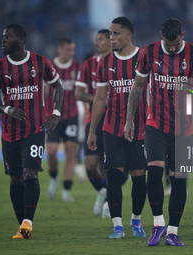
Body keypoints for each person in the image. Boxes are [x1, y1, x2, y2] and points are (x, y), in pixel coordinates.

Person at [124, 18, 193, 246]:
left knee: (179, 180)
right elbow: (137, 86)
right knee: (154, 173)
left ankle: (173, 232)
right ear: (161, 36)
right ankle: (158, 225)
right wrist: (129, 120)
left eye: (176, 44)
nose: (173, 48)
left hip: (184, 128)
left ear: (183, 34)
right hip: (155, 123)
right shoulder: (149, 52)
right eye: (168, 44)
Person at [0, 24, 63, 239]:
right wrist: (7, 108)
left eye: (7, 37)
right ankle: (22, 225)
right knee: (16, 179)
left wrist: (56, 113)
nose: (2, 41)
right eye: (2, 37)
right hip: (9, 131)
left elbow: (57, 86)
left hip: (35, 129)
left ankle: (27, 224)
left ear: (20, 39)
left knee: (30, 174)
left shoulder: (40, 62)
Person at [87, 17, 147, 239]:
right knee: (113, 176)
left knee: (139, 177)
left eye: (116, 34)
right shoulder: (104, 62)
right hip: (111, 127)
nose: (111, 38)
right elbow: (100, 98)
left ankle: (136, 220)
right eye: (110, 34)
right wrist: (93, 130)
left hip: (140, 128)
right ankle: (118, 226)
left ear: (129, 36)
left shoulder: (144, 57)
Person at [75, 29, 112, 216]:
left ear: (110, 42)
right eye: (96, 39)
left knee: (109, 165)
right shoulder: (88, 65)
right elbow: (78, 94)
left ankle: (108, 201)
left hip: (114, 119)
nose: (97, 43)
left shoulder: (116, 63)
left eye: (101, 39)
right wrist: (98, 99)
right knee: (90, 165)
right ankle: (103, 192)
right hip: (94, 119)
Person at [45, 38, 81, 202]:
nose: (71, 53)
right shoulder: (49, 67)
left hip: (72, 116)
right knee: (51, 151)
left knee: (70, 151)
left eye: (72, 50)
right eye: (68, 49)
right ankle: (54, 177)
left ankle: (66, 189)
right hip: (53, 117)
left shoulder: (78, 68)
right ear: (59, 49)